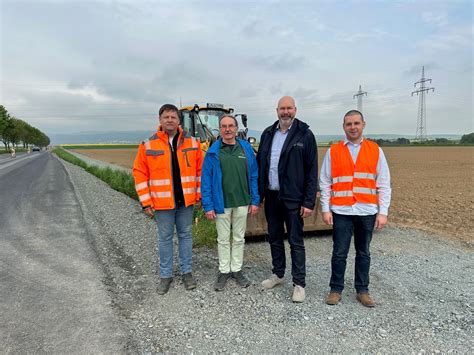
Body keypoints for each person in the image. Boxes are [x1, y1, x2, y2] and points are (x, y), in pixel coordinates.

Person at [320, 110, 391, 307]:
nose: (353, 127)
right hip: (342, 211)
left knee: (364, 253)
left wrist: (382, 212)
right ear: (344, 126)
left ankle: (362, 290)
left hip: (366, 211)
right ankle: (335, 289)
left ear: (363, 125)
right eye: (349, 124)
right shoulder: (334, 151)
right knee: (339, 252)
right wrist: (326, 209)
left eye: (356, 123)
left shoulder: (375, 150)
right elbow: (325, 181)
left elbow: (384, 183)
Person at [133, 104, 203, 295]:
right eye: (166, 117)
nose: (170, 120)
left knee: (186, 236)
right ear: (160, 120)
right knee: (164, 239)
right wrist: (146, 201)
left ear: (179, 120)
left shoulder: (193, 143)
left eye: (173, 117)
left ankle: (187, 272)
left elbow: (200, 172)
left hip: (186, 202)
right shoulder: (148, 145)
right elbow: (139, 174)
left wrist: (199, 195)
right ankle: (166, 276)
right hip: (162, 204)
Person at [257, 96, 318, 303]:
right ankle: (278, 274)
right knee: (274, 237)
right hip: (272, 196)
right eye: (282, 108)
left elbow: (311, 171)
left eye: (289, 108)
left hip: (293, 198)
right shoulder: (267, 134)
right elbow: (261, 166)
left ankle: (299, 284)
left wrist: (309, 202)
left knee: (295, 241)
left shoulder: (305, 135)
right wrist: (259, 195)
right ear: (277, 111)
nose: (286, 112)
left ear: (295, 110)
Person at [201, 115, 260, 291]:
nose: (227, 129)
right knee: (223, 239)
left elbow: (254, 175)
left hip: (242, 202)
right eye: (224, 126)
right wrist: (208, 205)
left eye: (231, 126)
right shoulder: (213, 152)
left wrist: (255, 200)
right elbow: (206, 180)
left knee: (239, 238)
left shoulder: (246, 149)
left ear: (236, 128)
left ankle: (237, 269)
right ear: (220, 129)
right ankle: (224, 271)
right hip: (221, 203)